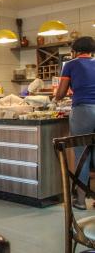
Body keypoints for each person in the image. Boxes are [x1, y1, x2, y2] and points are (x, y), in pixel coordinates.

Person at [55, 36, 95, 209]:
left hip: (83, 111)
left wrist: (55, 97)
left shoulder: (70, 65)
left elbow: (61, 93)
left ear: (75, 50)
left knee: (82, 155)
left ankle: (80, 200)